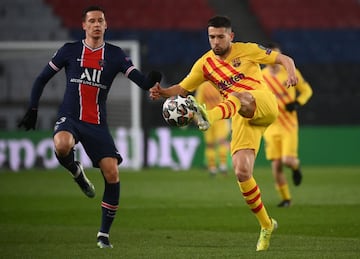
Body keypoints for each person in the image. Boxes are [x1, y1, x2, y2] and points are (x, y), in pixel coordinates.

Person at [149, 15, 299, 251]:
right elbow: (184, 88)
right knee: (241, 171)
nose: (216, 41)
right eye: (212, 37)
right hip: (241, 116)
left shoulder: (247, 50)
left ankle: (208, 115)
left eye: (220, 36)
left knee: (239, 95)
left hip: (262, 102)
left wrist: (291, 73)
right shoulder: (205, 64)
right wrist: (163, 92)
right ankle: (267, 224)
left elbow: (284, 59)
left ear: (231, 36)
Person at [17, 6, 161, 249]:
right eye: (92, 21)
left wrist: (152, 83)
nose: (96, 24)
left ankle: (103, 234)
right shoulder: (69, 50)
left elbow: (139, 79)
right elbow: (42, 78)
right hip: (70, 117)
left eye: (100, 21)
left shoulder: (116, 55)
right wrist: (33, 108)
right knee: (62, 145)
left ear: (106, 25)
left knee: (112, 173)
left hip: (96, 124)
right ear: (84, 25)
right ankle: (76, 172)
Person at [262, 43, 313, 207]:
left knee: (288, 161)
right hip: (270, 126)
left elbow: (307, 90)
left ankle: (296, 167)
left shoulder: (290, 73)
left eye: (279, 57)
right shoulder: (261, 76)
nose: (277, 60)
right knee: (276, 165)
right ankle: (286, 199)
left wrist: (298, 103)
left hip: (288, 124)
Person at [195, 81, 230, 176]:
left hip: (210, 118)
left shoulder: (203, 86)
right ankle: (219, 166)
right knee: (218, 142)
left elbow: (198, 103)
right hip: (218, 117)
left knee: (212, 144)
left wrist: (198, 118)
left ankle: (214, 167)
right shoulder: (220, 84)